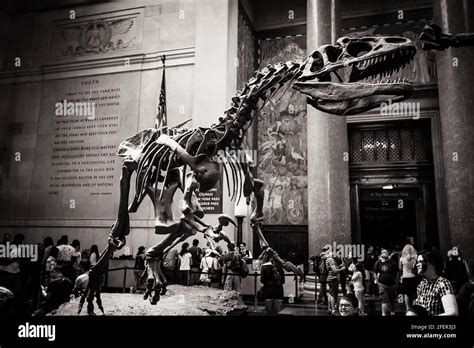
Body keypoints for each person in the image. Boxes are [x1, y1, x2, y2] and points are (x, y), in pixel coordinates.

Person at [412, 250, 458, 316]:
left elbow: (452, 312)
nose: (417, 264)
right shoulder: (422, 284)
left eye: (420, 262)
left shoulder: (443, 284)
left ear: (432, 264)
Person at [374, 248, 399, 316]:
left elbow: (397, 272)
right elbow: (375, 273)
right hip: (382, 285)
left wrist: (397, 281)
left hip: (392, 285)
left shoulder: (392, 262)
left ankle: (392, 312)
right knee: (384, 300)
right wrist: (378, 283)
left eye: (386, 251)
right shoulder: (378, 263)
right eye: (383, 252)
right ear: (381, 254)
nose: (385, 252)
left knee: (392, 300)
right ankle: (384, 314)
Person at [399, 244, 419, 312]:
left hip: (405, 276)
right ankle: (413, 308)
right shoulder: (415, 258)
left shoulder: (402, 259)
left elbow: (400, 269)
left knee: (406, 294)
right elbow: (416, 268)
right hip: (413, 276)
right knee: (414, 294)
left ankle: (407, 308)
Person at [325, 247, 345, 315]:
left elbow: (332, 269)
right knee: (333, 295)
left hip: (330, 278)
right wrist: (342, 268)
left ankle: (329, 309)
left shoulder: (329, 259)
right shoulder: (331, 260)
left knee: (330, 294)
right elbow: (334, 271)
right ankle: (333, 310)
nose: (339, 255)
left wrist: (339, 267)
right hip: (333, 279)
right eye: (338, 253)